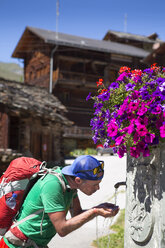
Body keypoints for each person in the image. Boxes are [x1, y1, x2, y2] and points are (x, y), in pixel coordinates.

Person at [0, 155, 119, 248]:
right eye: (95, 185)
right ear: (78, 180)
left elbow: (77, 214)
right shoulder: (53, 185)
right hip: (16, 244)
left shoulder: (70, 184)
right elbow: (62, 229)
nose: (98, 189)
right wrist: (95, 212)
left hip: (33, 244)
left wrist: (99, 207)